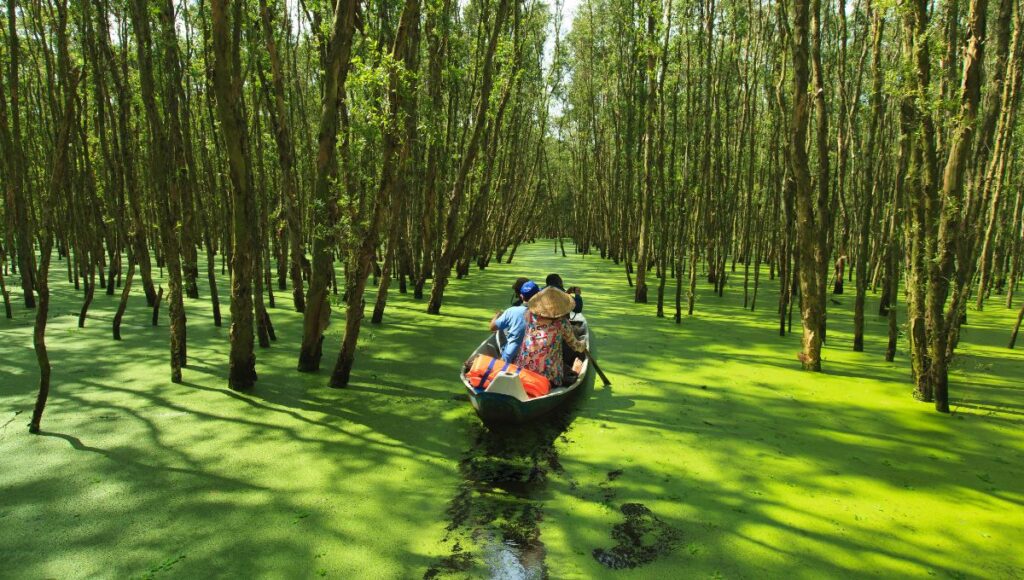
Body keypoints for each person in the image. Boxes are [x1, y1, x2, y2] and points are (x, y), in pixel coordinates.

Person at [515, 287, 587, 386]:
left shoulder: (530, 315)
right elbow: (574, 345)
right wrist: (583, 346)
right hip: (548, 375)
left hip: (523, 368)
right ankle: (556, 380)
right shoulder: (562, 323)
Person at [490, 279, 540, 362]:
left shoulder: (511, 311)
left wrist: (497, 315)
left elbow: (492, 327)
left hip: (511, 357)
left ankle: (501, 359)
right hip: (535, 357)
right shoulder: (546, 313)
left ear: (521, 296)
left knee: (501, 328)